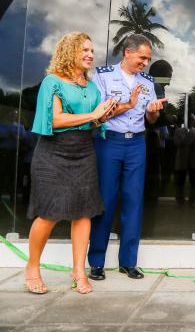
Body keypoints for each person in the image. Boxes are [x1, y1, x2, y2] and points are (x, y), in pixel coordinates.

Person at [24, 32, 115, 294]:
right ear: (69, 52)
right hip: (53, 154)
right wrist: (93, 114)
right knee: (49, 212)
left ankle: (78, 270)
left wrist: (103, 115)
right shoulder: (52, 82)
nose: (90, 55)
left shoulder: (92, 87)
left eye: (91, 50)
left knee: (83, 211)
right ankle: (32, 266)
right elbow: (55, 120)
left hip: (84, 151)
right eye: (84, 50)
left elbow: (92, 120)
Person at [88, 34, 167, 281]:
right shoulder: (102, 76)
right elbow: (98, 115)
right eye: (142, 57)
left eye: (148, 59)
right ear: (127, 53)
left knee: (134, 201)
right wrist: (128, 103)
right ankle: (97, 262)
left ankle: (128, 262)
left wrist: (153, 113)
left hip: (136, 144)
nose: (145, 62)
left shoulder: (148, 82)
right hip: (109, 142)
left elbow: (149, 118)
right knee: (106, 201)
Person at [174, 113, 195, 204]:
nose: (190, 121)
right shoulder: (178, 131)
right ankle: (180, 199)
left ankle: (192, 199)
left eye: (192, 119)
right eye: (189, 119)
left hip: (193, 159)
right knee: (180, 181)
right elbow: (176, 143)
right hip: (182, 159)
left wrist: (194, 140)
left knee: (193, 181)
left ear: (194, 121)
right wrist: (185, 140)